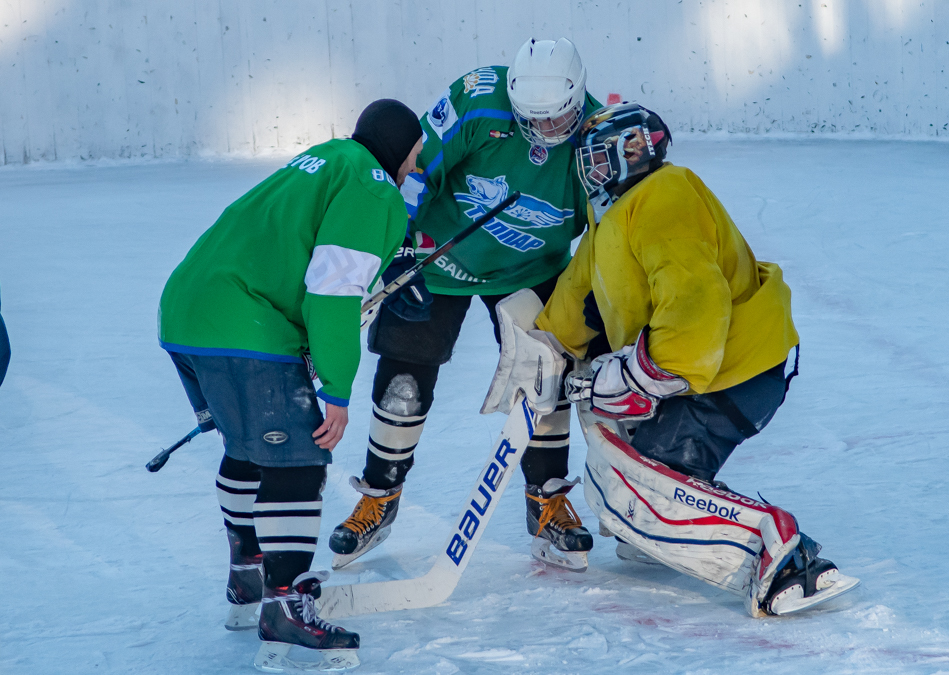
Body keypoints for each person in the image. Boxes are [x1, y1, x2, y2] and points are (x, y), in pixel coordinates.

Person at [536, 103, 859, 617]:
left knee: (641, 489)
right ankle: (666, 533)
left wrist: (642, 375)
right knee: (621, 489)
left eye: (599, 158)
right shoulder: (614, 214)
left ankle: (783, 552)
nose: (589, 171)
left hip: (732, 372)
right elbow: (580, 294)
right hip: (709, 374)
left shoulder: (664, 196)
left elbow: (695, 302)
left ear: (635, 152)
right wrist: (544, 346)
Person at [159, 99, 422, 671]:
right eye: (415, 157)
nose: (414, 170)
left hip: (187, 312)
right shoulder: (373, 185)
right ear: (399, 149)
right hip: (246, 323)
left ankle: (248, 575)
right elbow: (331, 290)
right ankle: (286, 603)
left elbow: (290, 246)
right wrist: (336, 387)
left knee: (250, 447)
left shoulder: (326, 158)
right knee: (298, 459)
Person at [329, 38, 604, 573]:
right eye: (532, 120)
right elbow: (411, 171)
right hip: (440, 257)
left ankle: (546, 500)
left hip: (531, 268)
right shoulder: (478, 98)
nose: (544, 133)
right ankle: (380, 496)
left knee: (546, 374)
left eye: (556, 120)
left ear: (580, 96)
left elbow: (609, 228)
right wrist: (398, 246)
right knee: (403, 382)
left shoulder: (599, 135)